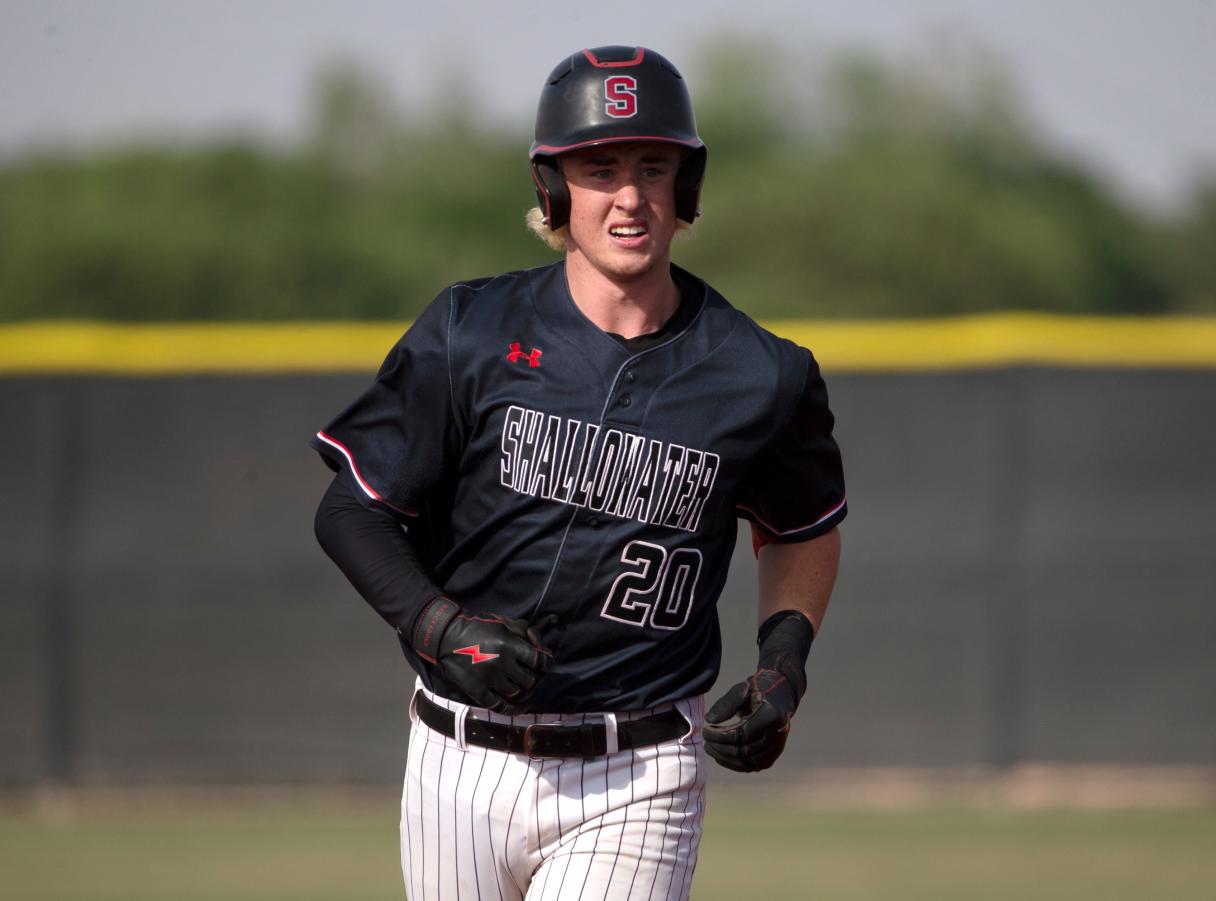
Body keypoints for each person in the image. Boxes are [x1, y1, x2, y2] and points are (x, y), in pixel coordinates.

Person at [312, 44, 846, 901]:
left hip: (638, 768)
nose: (630, 196)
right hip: (458, 761)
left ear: (687, 187)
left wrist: (785, 658)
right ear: (554, 190)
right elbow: (350, 511)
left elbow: (802, 528)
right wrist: (438, 626)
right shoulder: (471, 330)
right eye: (599, 168)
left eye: (653, 166)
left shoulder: (761, 373)